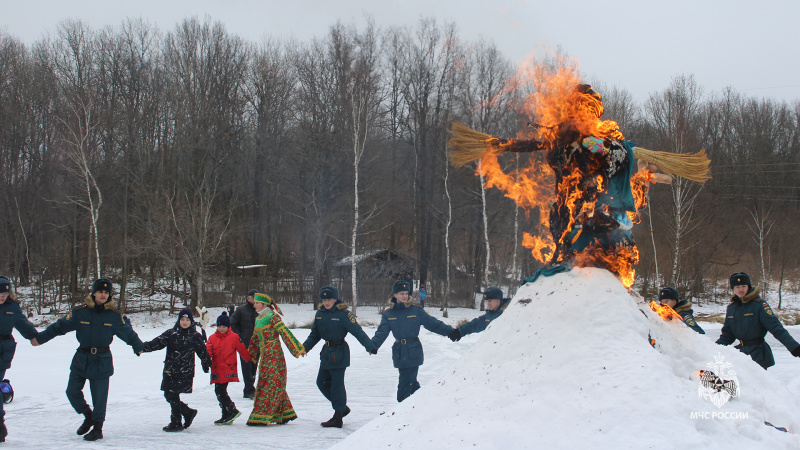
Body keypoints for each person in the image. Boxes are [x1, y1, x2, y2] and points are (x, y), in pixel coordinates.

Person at [32, 278, 144, 441]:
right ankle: (88, 415)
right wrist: (40, 338)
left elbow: (127, 333)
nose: (103, 295)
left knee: (99, 397)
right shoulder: (80, 312)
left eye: (106, 292)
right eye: (100, 292)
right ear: (93, 293)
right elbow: (59, 327)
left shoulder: (113, 316)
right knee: (72, 391)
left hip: (102, 359)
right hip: (82, 358)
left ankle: (98, 428)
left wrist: (138, 346)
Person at [302, 286, 377, 428]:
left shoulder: (343, 314)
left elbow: (357, 331)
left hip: (339, 352)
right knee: (321, 382)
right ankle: (342, 408)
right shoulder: (320, 314)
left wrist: (370, 346)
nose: (326, 302)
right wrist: (305, 347)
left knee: (337, 385)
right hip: (326, 352)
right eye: (324, 300)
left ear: (335, 299)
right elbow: (315, 334)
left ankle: (338, 417)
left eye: (329, 299)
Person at [371, 280, 454, 402]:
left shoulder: (416, 311)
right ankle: (421, 405)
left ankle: (401, 409)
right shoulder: (389, 314)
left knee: (405, 383)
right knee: (411, 382)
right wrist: (373, 345)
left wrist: (450, 332)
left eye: (406, 293)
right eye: (401, 293)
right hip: (399, 352)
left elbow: (433, 324)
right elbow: (382, 332)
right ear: (395, 295)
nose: (404, 296)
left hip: (413, 350)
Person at [142, 308, 210, 432]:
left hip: (185, 371)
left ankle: (176, 421)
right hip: (170, 370)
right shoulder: (171, 333)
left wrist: (206, 363)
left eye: (187, 320)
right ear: (178, 320)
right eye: (182, 319)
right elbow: (157, 343)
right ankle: (187, 412)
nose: (184, 322)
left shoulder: (195, 336)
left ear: (191, 321)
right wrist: (142, 347)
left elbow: (202, 351)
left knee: (172, 394)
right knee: (169, 394)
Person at [716, 272, 800, 369]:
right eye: (737, 287)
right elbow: (727, 335)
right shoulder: (732, 308)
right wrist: (712, 349)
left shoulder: (759, 305)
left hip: (758, 354)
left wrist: (795, 348)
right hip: (741, 355)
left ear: (748, 286)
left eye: (744, 286)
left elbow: (776, 329)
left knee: (756, 383)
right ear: (733, 289)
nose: (741, 289)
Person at [246, 293, 306, 426]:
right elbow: (255, 339)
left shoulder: (273, 317)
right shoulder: (258, 319)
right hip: (265, 357)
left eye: (257, 303)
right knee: (271, 383)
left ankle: (262, 415)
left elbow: (285, 333)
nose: (254, 305)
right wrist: (249, 355)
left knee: (270, 384)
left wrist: (297, 348)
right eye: (254, 303)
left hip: (274, 356)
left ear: (264, 305)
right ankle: (285, 413)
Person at [0, 276, 38, 442]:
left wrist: (35, 337)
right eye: (0, 292)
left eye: (6, 293)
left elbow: (23, 324)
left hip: (4, 349)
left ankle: (0, 425)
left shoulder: (12, 307)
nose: (3, 296)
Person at [206, 311, 251, 425]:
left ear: (228, 327)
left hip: (227, 369)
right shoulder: (212, 338)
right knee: (219, 391)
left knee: (220, 391)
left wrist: (248, 359)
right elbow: (208, 351)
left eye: (224, 326)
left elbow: (242, 349)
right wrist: (205, 361)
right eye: (220, 326)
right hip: (216, 368)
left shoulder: (234, 337)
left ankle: (232, 410)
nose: (221, 329)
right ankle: (225, 414)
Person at [230, 289, 258, 399]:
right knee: (246, 367)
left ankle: (250, 388)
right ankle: (249, 389)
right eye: (254, 297)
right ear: (248, 298)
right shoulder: (240, 310)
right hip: (244, 344)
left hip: (257, 344)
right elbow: (232, 323)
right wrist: (239, 336)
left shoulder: (260, 310)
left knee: (253, 368)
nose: (256, 300)